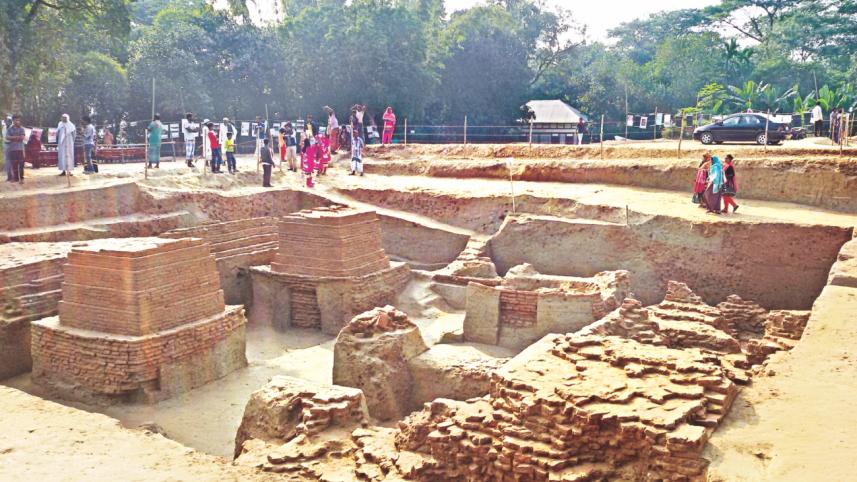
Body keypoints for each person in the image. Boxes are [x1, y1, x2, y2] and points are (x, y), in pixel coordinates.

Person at [5, 114, 26, 182]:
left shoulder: (22, 128)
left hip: (20, 149)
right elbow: (7, 137)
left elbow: (22, 138)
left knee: (21, 164)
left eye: (19, 120)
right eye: (16, 120)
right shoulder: (9, 129)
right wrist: (17, 137)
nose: (18, 121)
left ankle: (21, 178)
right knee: (14, 164)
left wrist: (13, 137)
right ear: (13, 121)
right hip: (12, 149)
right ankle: (16, 178)